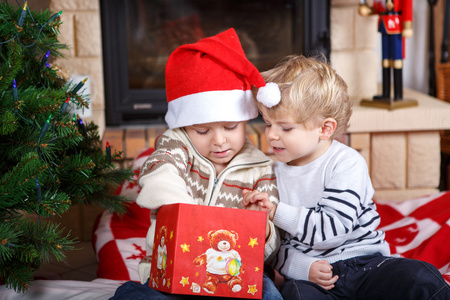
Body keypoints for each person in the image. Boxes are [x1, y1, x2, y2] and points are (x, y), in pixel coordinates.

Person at [243, 54, 450, 299]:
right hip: (317, 280)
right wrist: (302, 267)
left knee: (419, 277)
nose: (272, 135)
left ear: (325, 128)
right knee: (294, 293)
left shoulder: (346, 163)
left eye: (285, 127)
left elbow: (333, 229)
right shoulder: (273, 175)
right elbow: (276, 246)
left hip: (364, 264)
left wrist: (277, 212)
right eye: (267, 124)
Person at [110, 28, 283, 300]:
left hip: (232, 277)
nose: (219, 141)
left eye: (230, 126)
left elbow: (270, 247)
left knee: (269, 293)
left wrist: (262, 227)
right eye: (202, 131)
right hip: (171, 272)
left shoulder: (260, 168)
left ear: (246, 120)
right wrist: (196, 223)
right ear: (185, 126)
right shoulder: (176, 145)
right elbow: (158, 175)